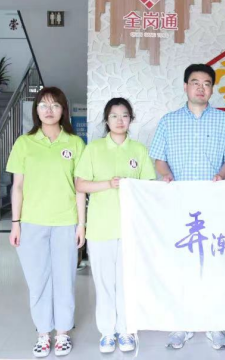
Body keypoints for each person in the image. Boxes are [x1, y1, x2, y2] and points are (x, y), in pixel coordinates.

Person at [149, 63, 225, 350]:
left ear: (212, 89)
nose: (201, 88)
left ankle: (214, 324)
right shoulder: (168, 121)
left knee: (214, 263)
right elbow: (159, 159)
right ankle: (182, 323)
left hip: (213, 203)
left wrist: (222, 175)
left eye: (206, 83)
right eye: (195, 82)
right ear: (185, 86)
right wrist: (166, 175)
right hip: (178, 203)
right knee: (181, 264)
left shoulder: (224, 121)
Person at [7, 87, 86, 358]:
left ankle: (62, 333)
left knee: (65, 279)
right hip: (31, 223)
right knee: (37, 280)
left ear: (63, 110)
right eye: (43, 105)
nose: (49, 110)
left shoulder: (75, 143)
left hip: (65, 221)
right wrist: (15, 223)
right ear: (36, 110)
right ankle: (43, 333)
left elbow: (80, 188)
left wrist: (81, 224)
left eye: (55, 105)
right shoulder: (24, 143)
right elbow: (17, 187)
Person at [75, 98, 156, 354]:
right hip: (100, 228)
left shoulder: (139, 150)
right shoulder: (94, 149)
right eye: (114, 116)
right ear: (106, 120)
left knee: (126, 283)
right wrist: (108, 184)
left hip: (131, 230)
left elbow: (148, 188)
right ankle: (107, 332)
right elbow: (80, 185)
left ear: (131, 119)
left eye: (124, 115)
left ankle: (126, 330)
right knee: (104, 283)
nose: (119, 121)